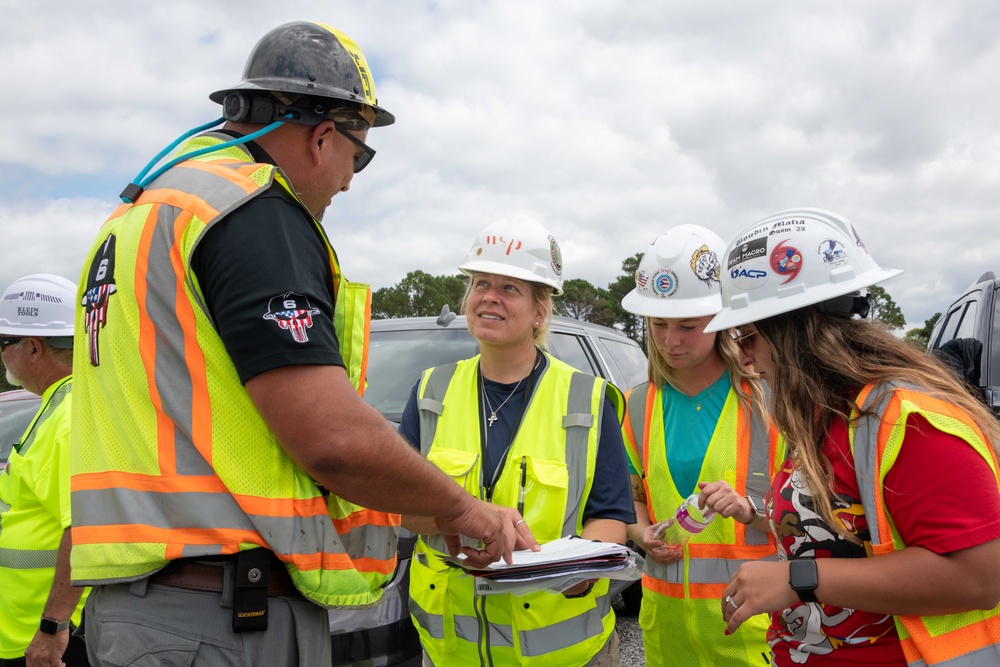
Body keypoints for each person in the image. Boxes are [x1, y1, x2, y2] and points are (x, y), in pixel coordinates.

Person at [69, 22, 531, 667]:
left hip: (145, 613)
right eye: (360, 156)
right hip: (222, 621)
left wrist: (438, 516)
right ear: (322, 136)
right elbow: (332, 442)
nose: (349, 181)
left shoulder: (140, 219)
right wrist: (471, 512)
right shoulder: (254, 211)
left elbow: (234, 440)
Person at [709, 208, 1000, 665]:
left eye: (747, 338)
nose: (743, 359)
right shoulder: (821, 415)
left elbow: (980, 578)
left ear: (794, 330)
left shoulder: (909, 421)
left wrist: (797, 579)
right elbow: (835, 530)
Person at [399, 214, 636, 666]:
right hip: (452, 653)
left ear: (540, 311)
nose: (489, 297)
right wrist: (459, 519)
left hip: (562, 654)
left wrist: (578, 578)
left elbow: (610, 516)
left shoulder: (585, 399)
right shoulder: (431, 391)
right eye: (480, 283)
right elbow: (403, 508)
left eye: (509, 289)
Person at [618, 226, 781, 666]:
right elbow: (631, 498)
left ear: (720, 319)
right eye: (658, 324)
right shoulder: (637, 405)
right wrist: (639, 533)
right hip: (667, 637)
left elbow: (814, 521)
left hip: (756, 635)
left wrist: (750, 510)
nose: (671, 340)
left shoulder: (770, 401)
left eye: (688, 326)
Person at [0, 274, 89, 667]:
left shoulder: (68, 418)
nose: (1, 354)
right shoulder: (61, 405)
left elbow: (85, 528)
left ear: (34, 348)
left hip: (46, 641)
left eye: (5, 342)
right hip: (30, 632)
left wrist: (52, 629)